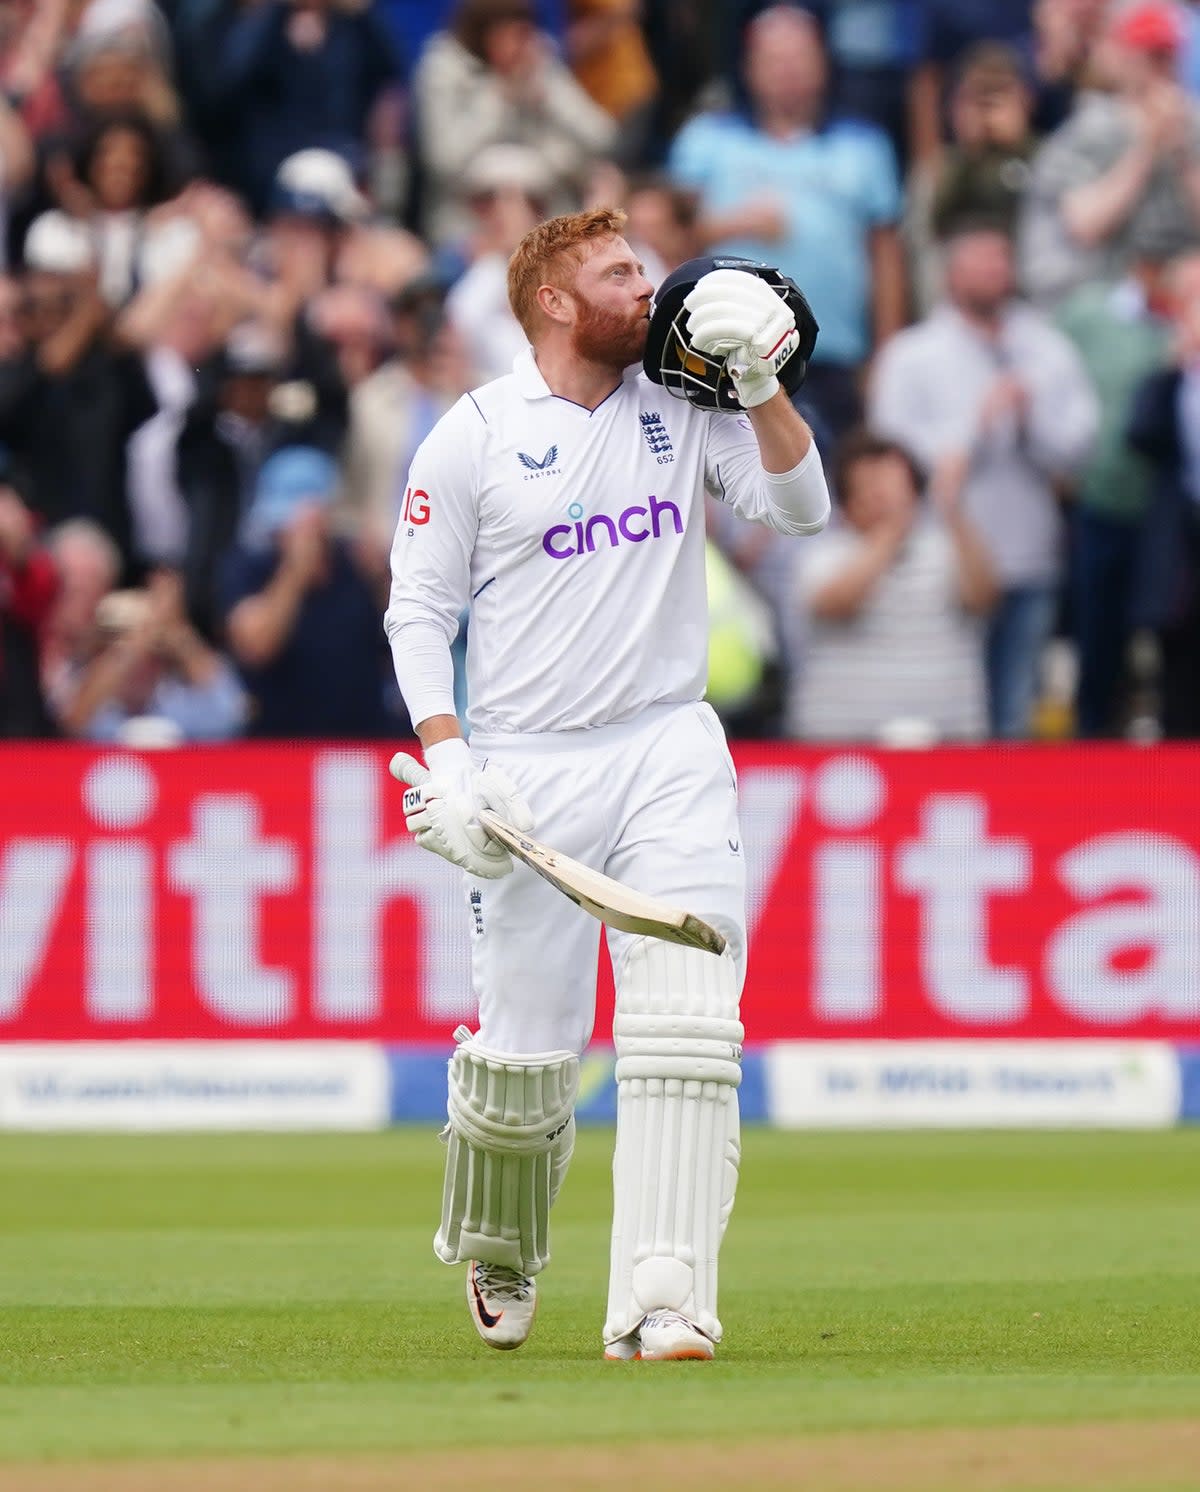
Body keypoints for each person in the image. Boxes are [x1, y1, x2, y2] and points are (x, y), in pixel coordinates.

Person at [384, 206, 829, 1361]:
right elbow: (420, 610)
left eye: (644, 267)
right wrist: (450, 758)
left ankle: (664, 1297)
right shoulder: (473, 435)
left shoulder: (686, 402)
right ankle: (499, 1245)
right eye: (620, 272)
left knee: (687, 1022)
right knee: (529, 1059)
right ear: (551, 300)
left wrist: (759, 383)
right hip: (526, 766)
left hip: (667, 743)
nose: (650, 287)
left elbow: (800, 507)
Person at [869, 220, 1098, 739]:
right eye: (979, 263)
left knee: (1016, 707)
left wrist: (1029, 414)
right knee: (952, 709)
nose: (993, 274)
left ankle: (1013, 812)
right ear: (951, 275)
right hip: (942, 561)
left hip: (1029, 554)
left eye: (1000, 262)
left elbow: (1081, 444)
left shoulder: (1046, 346)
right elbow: (888, 451)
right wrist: (978, 424)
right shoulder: (913, 353)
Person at [667, 4, 905, 440]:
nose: (788, 71)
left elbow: (887, 257)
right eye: (774, 59)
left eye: (800, 58)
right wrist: (730, 225)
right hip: (726, 353)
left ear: (823, 64)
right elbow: (663, 237)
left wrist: (884, 355)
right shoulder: (705, 138)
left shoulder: (866, 145)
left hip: (834, 356)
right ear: (749, 68)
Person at [789, 430, 996, 742]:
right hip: (843, 756)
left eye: (893, 484)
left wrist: (953, 511)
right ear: (847, 503)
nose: (883, 496)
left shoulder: (950, 548)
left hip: (949, 746)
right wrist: (892, 528)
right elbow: (835, 603)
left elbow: (985, 598)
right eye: (869, 487)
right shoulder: (822, 554)